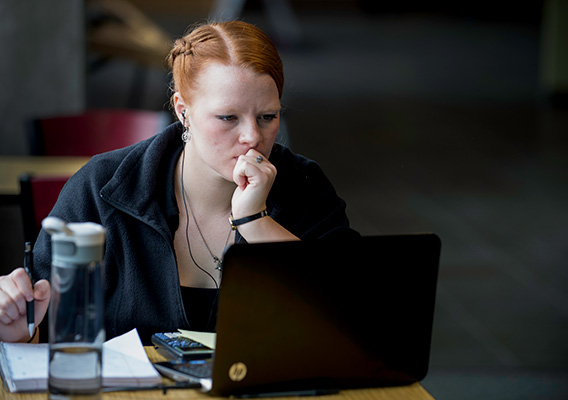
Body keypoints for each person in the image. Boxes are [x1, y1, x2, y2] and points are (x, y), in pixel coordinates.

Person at [0, 20, 358, 345]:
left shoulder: (304, 186)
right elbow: (45, 328)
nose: (252, 136)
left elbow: (356, 318)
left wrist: (256, 222)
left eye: (268, 117)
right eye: (227, 117)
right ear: (182, 110)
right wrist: (21, 331)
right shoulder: (103, 187)